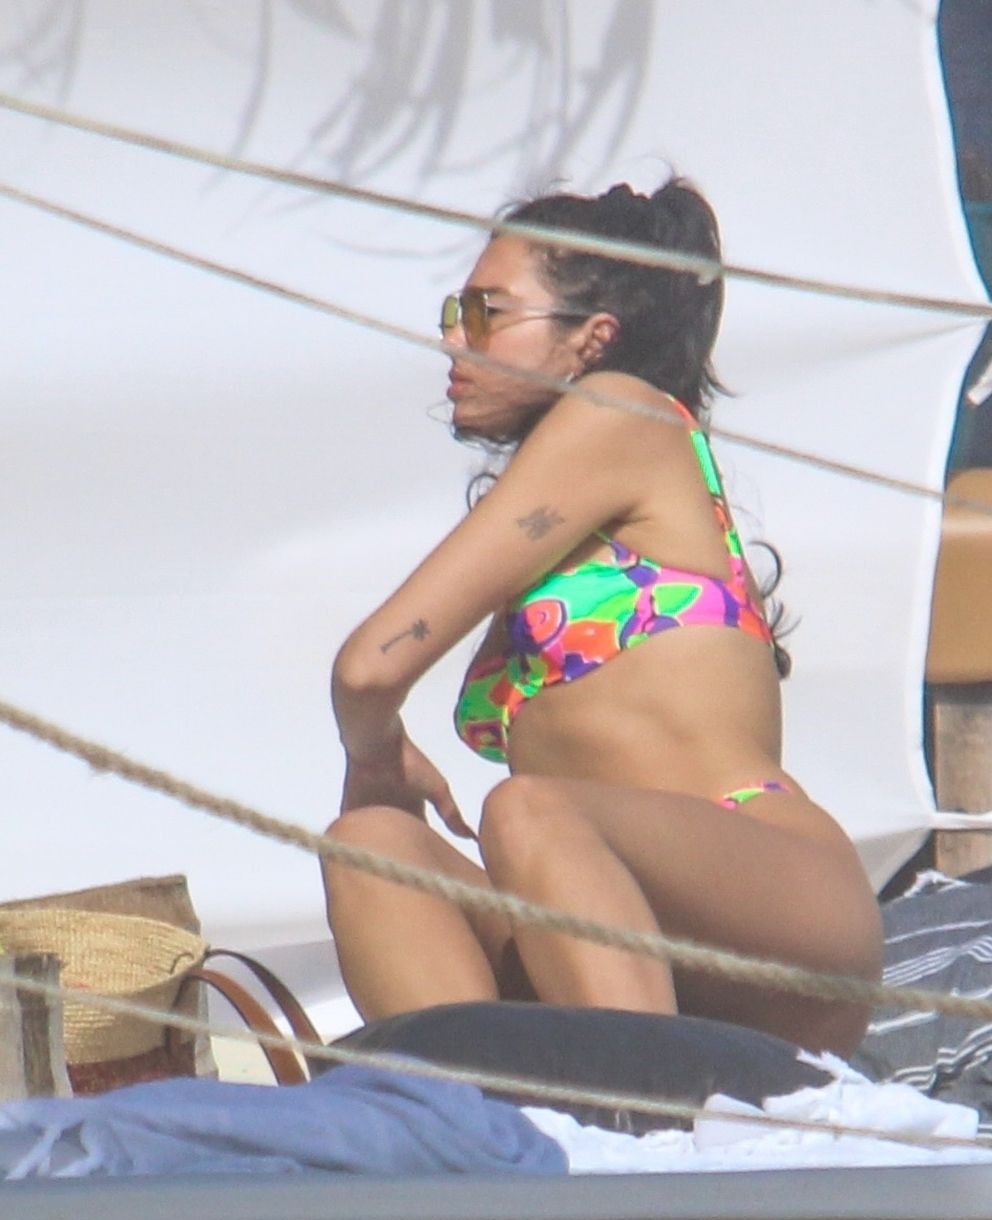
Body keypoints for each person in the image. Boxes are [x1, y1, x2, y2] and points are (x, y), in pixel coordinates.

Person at [322, 178, 883, 1055]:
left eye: (486, 313)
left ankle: (641, 1126)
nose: (452, 338)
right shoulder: (562, 513)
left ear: (593, 336)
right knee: (370, 846)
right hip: (612, 933)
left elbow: (369, 667)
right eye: (454, 313)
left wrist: (374, 748)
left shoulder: (624, 413)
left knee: (527, 811)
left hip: (774, 897)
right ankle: (482, 1122)